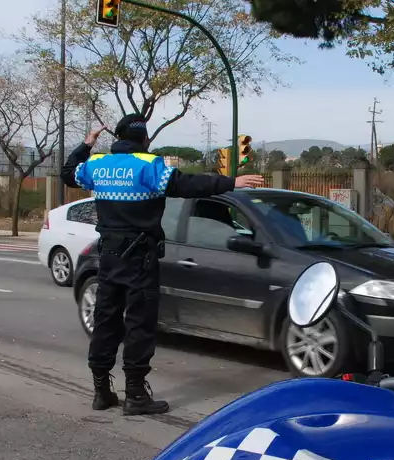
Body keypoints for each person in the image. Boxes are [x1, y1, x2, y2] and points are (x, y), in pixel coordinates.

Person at [62, 114, 265, 415]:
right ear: (144, 139)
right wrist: (231, 182)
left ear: (117, 138)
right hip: (139, 257)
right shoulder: (149, 165)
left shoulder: (96, 164)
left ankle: (101, 391)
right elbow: (186, 184)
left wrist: (87, 144)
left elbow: (67, 173)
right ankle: (135, 394)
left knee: (106, 320)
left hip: (108, 256)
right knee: (139, 324)